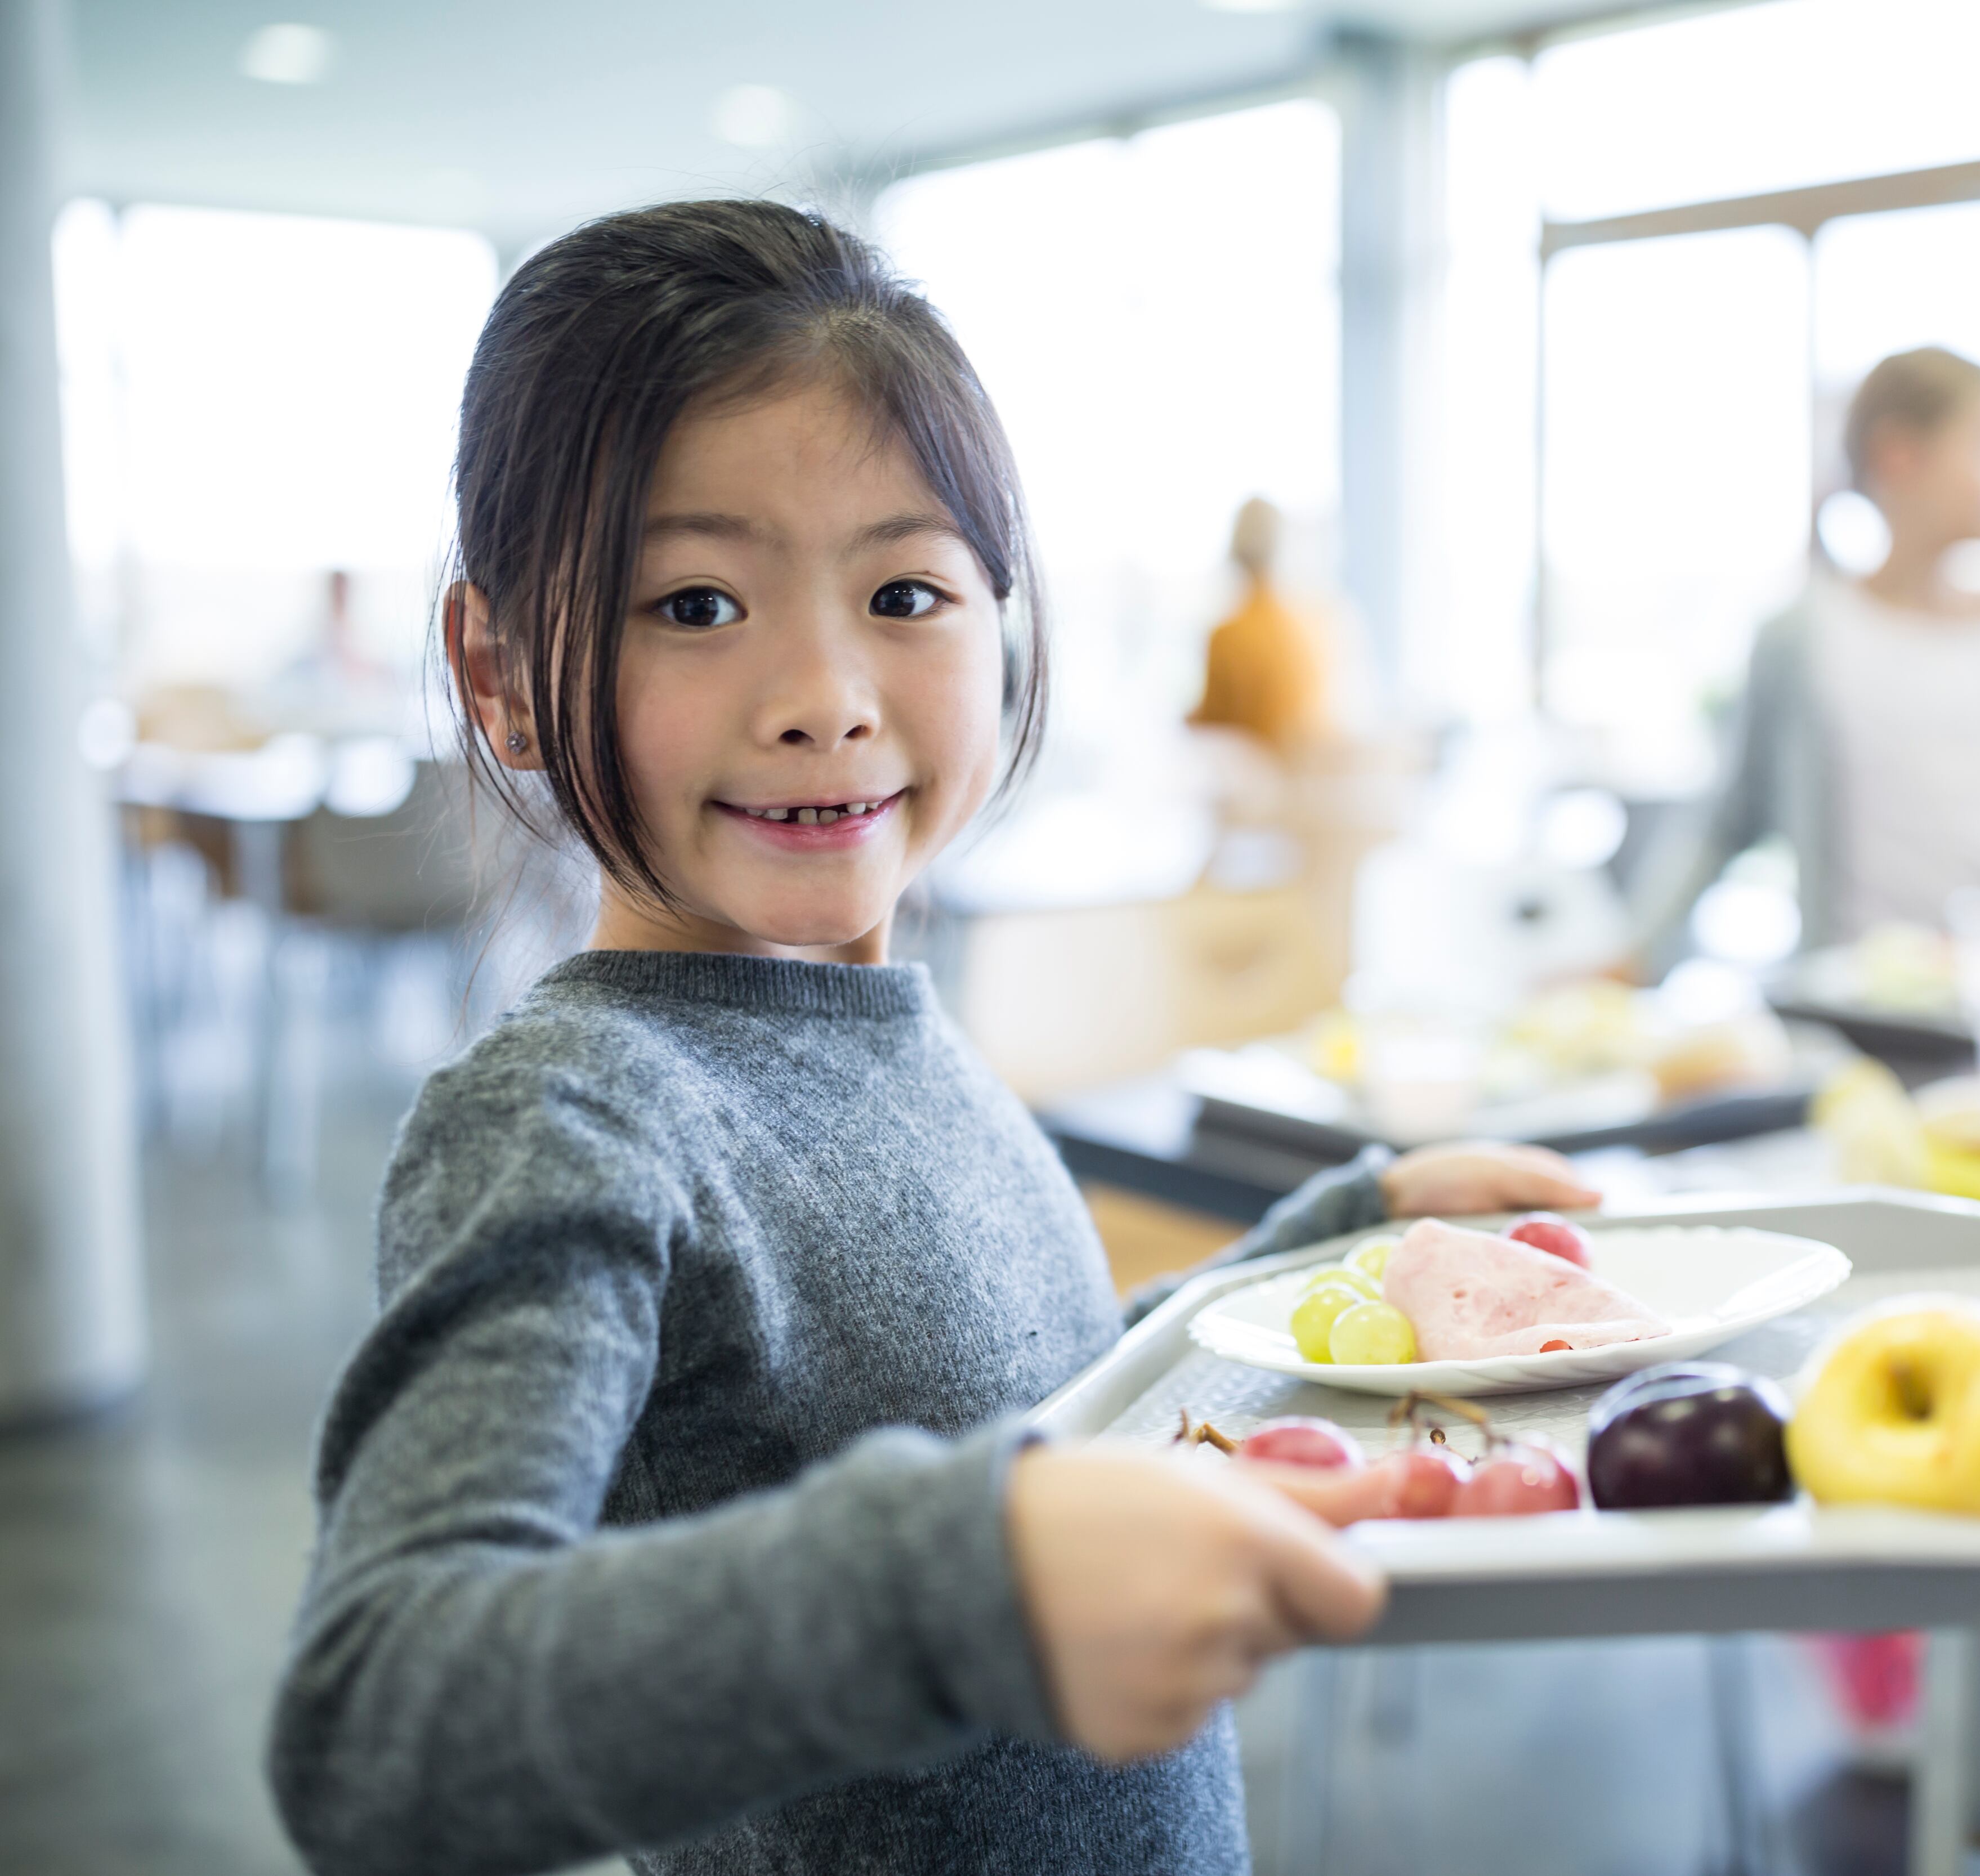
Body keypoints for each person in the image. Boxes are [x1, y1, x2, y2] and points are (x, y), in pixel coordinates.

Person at [266, 200, 1597, 1876]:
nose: (823, 691)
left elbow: (1011, 1409)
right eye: (692, 604)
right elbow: (382, 1727)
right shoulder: (574, 1114)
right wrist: (963, 1583)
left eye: (904, 588)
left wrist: (1314, 1267)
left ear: (1004, 619)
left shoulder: (879, 1019)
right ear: (502, 670)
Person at [1635, 346, 1980, 969]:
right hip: (1856, 1006)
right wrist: (1636, 955)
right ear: (1897, 454)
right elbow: (1727, 823)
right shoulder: (1802, 636)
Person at [1188, 495, 1335, 751]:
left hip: (1256, 775)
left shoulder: (1227, 636)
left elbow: (1213, 719)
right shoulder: (1310, 628)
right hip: (1303, 774)